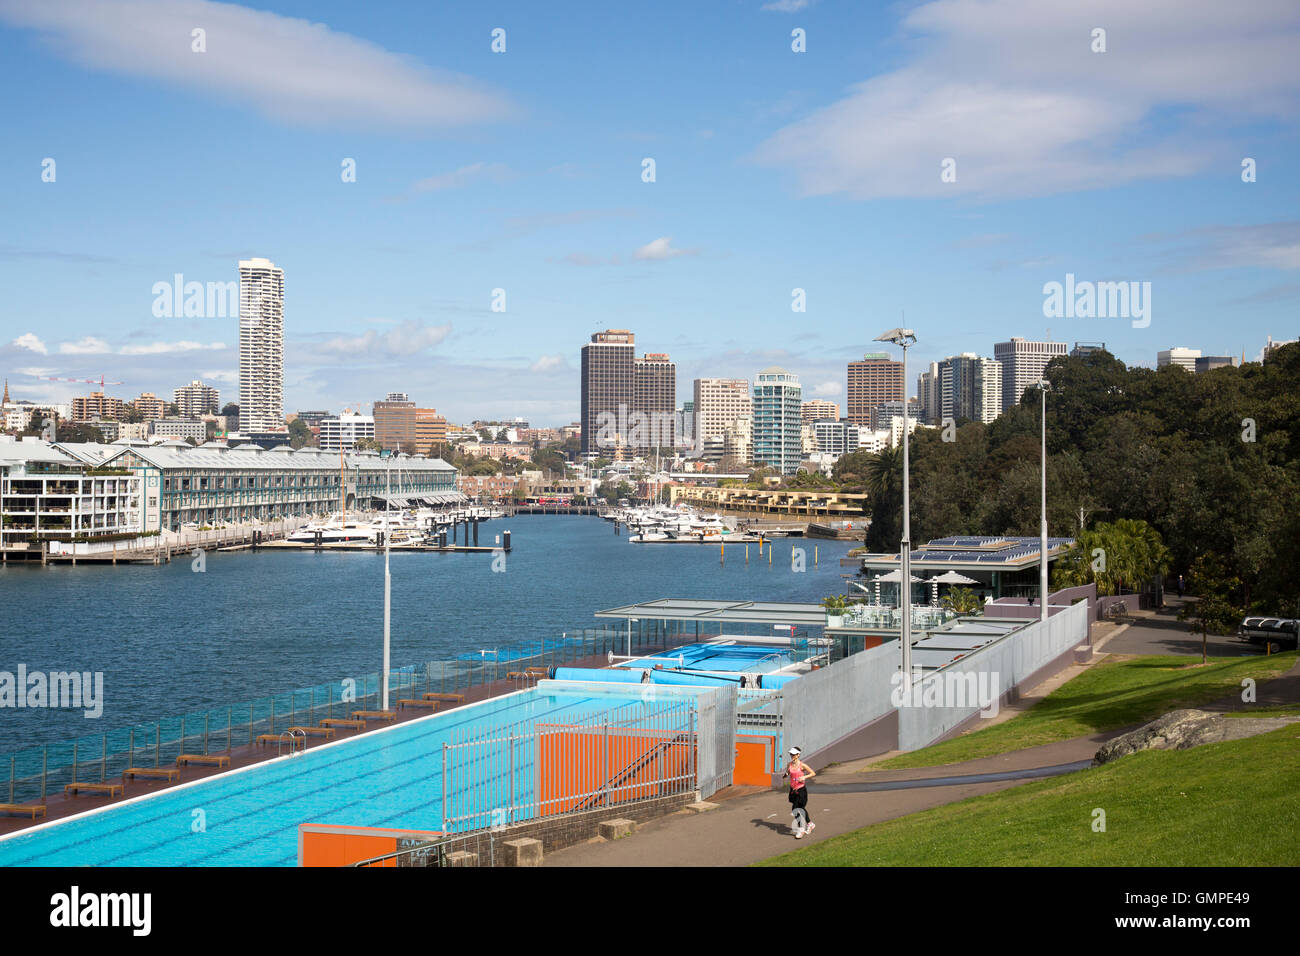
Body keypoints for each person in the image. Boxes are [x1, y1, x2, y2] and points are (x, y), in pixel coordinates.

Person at [781, 747, 816, 838]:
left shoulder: (802, 765)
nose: (792, 756)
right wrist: (786, 775)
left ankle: (801, 830)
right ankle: (810, 824)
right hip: (793, 790)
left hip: (801, 790)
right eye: (791, 754)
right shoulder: (789, 764)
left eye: (793, 754)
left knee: (795, 809)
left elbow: (813, 773)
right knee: (801, 808)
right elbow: (789, 772)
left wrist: (804, 777)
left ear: (798, 755)